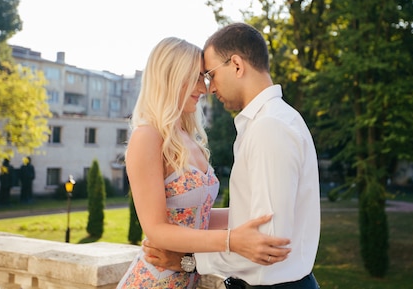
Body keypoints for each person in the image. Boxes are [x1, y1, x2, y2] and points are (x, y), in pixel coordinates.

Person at [144, 23, 321, 288]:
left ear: (237, 65)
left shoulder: (269, 127)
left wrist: (188, 262)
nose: (209, 88)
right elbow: (253, 219)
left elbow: (266, 245)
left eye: (211, 75)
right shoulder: (272, 121)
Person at [116, 37, 291, 289]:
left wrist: (259, 217)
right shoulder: (147, 137)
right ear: (171, 76)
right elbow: (156, 230)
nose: (205, 87)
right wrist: (230, 241)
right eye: (197, 77)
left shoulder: (187, 137)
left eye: (205, 77)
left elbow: (199, 215)